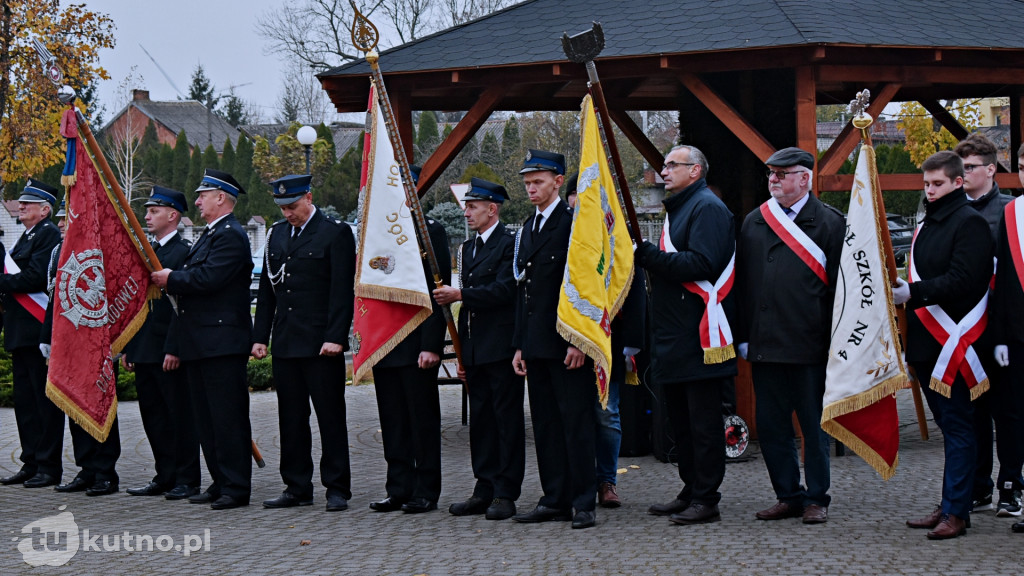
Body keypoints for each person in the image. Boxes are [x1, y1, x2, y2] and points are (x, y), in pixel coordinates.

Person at [735, 147, 844, 525]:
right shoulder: (754, 221)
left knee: (813, 429)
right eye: (771, 173)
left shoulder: (830, 223)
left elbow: (840, 293)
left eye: (783, 173)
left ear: (805, 178)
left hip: (809, 345)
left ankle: (817, 497)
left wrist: (833, 342)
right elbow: (743, 285)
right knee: (772, 427)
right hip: (765, 345)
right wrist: (744, 334)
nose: (775, 179)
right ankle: (787, 495)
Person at [895, 150, 993, 540]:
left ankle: (957, 510)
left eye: (937, 184)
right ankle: (951, 502)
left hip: (957, 345)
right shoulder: (927, 224)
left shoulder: (969, 223)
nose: (930, 191)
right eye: (926, 184)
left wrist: (913, 292)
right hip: (927, 344)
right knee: (950, 427)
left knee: (958, 428)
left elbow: (966, 280)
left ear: (958, 182)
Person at [637, 145, 735, 525]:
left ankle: (707, 497)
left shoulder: (707, 208)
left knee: (702, 423)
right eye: (663, 165)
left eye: (672, 165)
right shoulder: (682, 207)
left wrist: (649, 256)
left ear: (695, 170)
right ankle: (691, 487)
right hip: (675, 335)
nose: (664, 171)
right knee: (680, 421)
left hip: (699, 334)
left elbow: (702, 263)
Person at [151, 168, 254, 510]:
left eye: (203, 195)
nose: (196, 201)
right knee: (207, 419)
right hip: (201, 342)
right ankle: (220, 480)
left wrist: (172, 278)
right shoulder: (211, 234)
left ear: (221, 198)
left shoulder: (231, 235)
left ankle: (236, 486)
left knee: (226, 418)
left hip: (222, 342)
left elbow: (210, 278)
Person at [252, 174, 356, 513]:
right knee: (291, 419)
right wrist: (260, 337)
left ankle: (337, 488)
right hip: (285, 341)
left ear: (309, 197)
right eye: (282, 207)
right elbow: (268, 292)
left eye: (292, 206)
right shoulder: (276, 235)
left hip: (320, 343)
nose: (287, 213)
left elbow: (342, 291)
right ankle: (296, 486)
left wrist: (336, 337)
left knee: (330, 417)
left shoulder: (334, 233)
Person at [511, 149, 598, 530]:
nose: (532, 189)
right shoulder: (529, 228)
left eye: (539, 182)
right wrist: (520, 344)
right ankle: (555, 498)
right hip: (537, 344)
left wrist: (580, 341)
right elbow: (524, 293)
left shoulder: (573, 224)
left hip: (567, 344)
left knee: (575, 424)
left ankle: (583, 501)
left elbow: (586, 285)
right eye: (528, 183)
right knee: (545, 425)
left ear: (558, 182)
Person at [433, 177, 525, 521]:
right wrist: (463, 354)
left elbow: (505, 291)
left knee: (506, 421)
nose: (467, 213)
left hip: (501, 348)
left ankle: (506, 491)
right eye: (466, 206)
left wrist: (460, 295)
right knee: (481, 423)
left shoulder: (509, 244)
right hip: (475, 348)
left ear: (492, 208)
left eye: (473, 207)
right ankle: (483, 486)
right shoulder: (467, 249)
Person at [369, 166, 451, 515]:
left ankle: (426, 489)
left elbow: (439, 293)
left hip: (418, 343)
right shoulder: (378, 234)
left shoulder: (430, 233)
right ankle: (398, 487)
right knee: (393, 421)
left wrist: (432, 344)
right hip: (386, 342)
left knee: (422, 421)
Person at [122, 187, 201, 501]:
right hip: (144, 347)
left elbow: (181, 308)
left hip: (169, 349)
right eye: (148, 210)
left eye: (155, 211)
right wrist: (130, 344)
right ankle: (164, 474)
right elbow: (139, 304)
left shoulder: (183, 252)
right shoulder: (147, 251)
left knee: (179, 417)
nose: (147, 216)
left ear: (173, 215)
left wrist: (174, 348)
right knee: (153, 417)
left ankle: (187, 477)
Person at [39, 201, 121, 496]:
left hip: (96, 341)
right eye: (60, 219)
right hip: (68, 340)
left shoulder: (99, 251)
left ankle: (105, 471)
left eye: (66, 218)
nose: (61, 224)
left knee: (99, 403)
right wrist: (47, 337)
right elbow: (55, 299)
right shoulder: (57, 251)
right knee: (75, 405)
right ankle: (87, 468)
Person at [953, 133, 1016, 515]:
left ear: (991, 170)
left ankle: (1011, 485)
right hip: (960, 332)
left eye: (970, 168)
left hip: (1001, 329)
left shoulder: (1009, 212)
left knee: (1007, 413)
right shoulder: (949, 212)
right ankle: (977, 486)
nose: (964, 175)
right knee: (971, 412)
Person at [0, 180, 63, 489]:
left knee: (43, 402)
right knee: (25, 403)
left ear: (45, 209)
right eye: (21, 202)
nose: (21, 206)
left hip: (36, 330)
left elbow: (36, 277)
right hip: (19, 330)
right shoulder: (25, 237)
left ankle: (49, 465)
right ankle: (31, 461)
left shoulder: (48, 234)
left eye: (28, 202)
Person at [990, 142, 1024, 533]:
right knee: (1013, 418)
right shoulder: (1011, 214)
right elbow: (999, 282)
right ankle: (1012, 487)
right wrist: (999, 335)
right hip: (1016, 336)